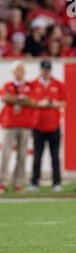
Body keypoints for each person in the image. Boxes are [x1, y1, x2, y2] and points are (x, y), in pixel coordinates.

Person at [28, 60, 67, 192]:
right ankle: (34, 182)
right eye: (44, 70)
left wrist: (52, 103)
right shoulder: (33, 84)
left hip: (54, 125)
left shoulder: (58, 84)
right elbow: (29, 102)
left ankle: (57, 182)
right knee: (37, 156)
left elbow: (64, 102)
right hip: (38, 125)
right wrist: (40, 104)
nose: (46, 72)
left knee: (55, 156)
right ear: (40, 70)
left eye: (48, 70)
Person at [0, 61, 34, 194]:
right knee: (6, 154)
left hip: (25, 124)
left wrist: (16, 99)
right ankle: (2, 181)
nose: (19, 72)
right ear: (13, 72)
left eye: (21, 70)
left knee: (22, 155)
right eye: (17, 70)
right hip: (10, 124)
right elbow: (6, 98)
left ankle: (18, 182)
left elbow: (31, 101)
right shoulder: (8, 85)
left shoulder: (29, 86)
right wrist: (21, 99)